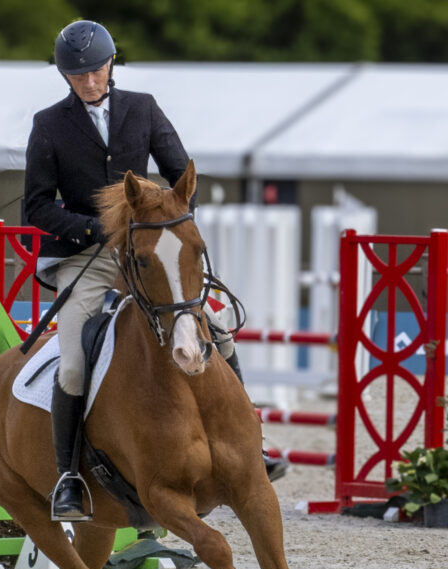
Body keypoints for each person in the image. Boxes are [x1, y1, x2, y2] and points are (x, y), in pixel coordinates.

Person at [24, 19, 287, 522]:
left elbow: (178, 173)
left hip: (150, 251)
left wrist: (159, 217)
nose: (90, 82)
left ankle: (251, 444)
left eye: (97, 72)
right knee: (75, 363)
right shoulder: (49, 124)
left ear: (111, 65)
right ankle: (68, 478)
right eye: (78, 76)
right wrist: (94, 229)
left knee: (219, 334)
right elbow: (36, 207)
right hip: (89, 256)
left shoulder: (141, 109)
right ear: (66, 77)